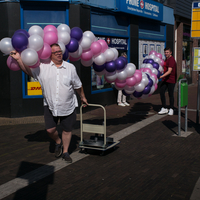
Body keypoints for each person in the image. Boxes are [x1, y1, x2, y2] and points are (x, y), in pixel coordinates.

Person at [10, 44, 88, 163]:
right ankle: (58, 141)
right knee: (50, 130)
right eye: (55, 52)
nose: (58, 53)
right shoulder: (43, 67)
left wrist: (83, 97)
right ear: (49, 54)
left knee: (67, 130)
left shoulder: (70, 67)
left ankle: (66, 152)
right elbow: (28, 71)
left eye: (59, 51)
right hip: (50, 105)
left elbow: (78, 85)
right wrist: (19, 59)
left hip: (68, 105)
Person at [158, 47, 177, 116]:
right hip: (165, 79)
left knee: (170, 94)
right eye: (165, 52)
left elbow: (169, 71)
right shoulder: (166, 59)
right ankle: (164, 107)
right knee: (161, 91)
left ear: (171, 52)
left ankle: (171, 109)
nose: (166, 53)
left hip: (171, 79)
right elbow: (165, 69)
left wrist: (161, 76)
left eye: (167, 52)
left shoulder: (171, 60)